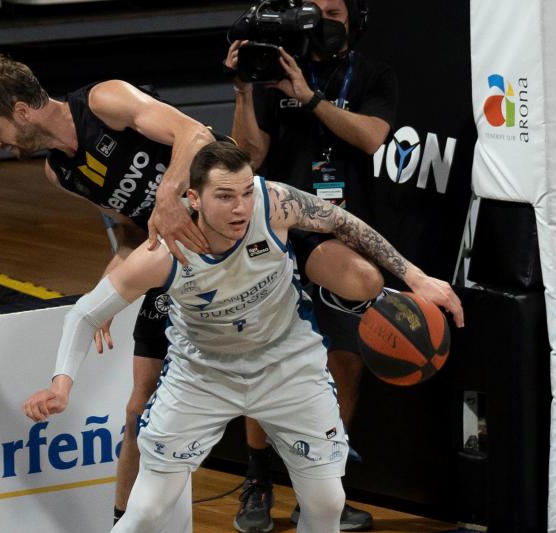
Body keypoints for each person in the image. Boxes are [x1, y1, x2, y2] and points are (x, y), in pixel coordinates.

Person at [0, 55, 381, 526]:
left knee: (348, 291)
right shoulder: (59, 172)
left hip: (240, 228)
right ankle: (131, 519)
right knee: (138, 407)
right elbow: (130, 229)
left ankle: (305, 483)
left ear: (21, 111)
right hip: (182, 263)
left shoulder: (105, 100)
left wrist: (168, 197)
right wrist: (109, 287)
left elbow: (196, 135)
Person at [23, 142, 463, 533]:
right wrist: (61, 383)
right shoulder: (161, 255)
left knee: (327, 505)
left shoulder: (273, 205)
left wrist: (415, 276)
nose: (240, 208)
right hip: (202, 376)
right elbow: (84, 314)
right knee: (146, 513)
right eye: (225, 196)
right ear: (193, 198)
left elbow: (343, 223)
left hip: (287, 365)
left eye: (246, 192)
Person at [225, 0, 398, 529]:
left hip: (342, 232)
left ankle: (323, 490)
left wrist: (313, 99)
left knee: (343, 359)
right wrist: (244, 87)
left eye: (333, 10)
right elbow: (247, 155)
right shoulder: (275, 74)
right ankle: (257, 482)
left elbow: (373, 136)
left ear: (354, 19)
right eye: (313, 9)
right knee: (263, 356)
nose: (322, 18)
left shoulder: (373, 74)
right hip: (278, 229)